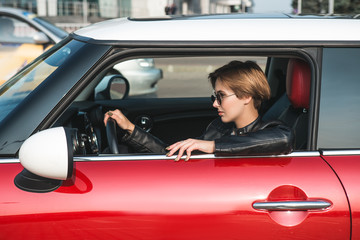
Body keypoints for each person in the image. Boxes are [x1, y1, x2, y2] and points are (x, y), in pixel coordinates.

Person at [104, 60, 294, 161]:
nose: (214, 104)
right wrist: (130, 129)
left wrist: (212, 146)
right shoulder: (219, 128)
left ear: (246, 96)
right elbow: (174, 154)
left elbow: (283, 139)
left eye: (221, 96)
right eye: (214, 97)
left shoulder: (271, 129)